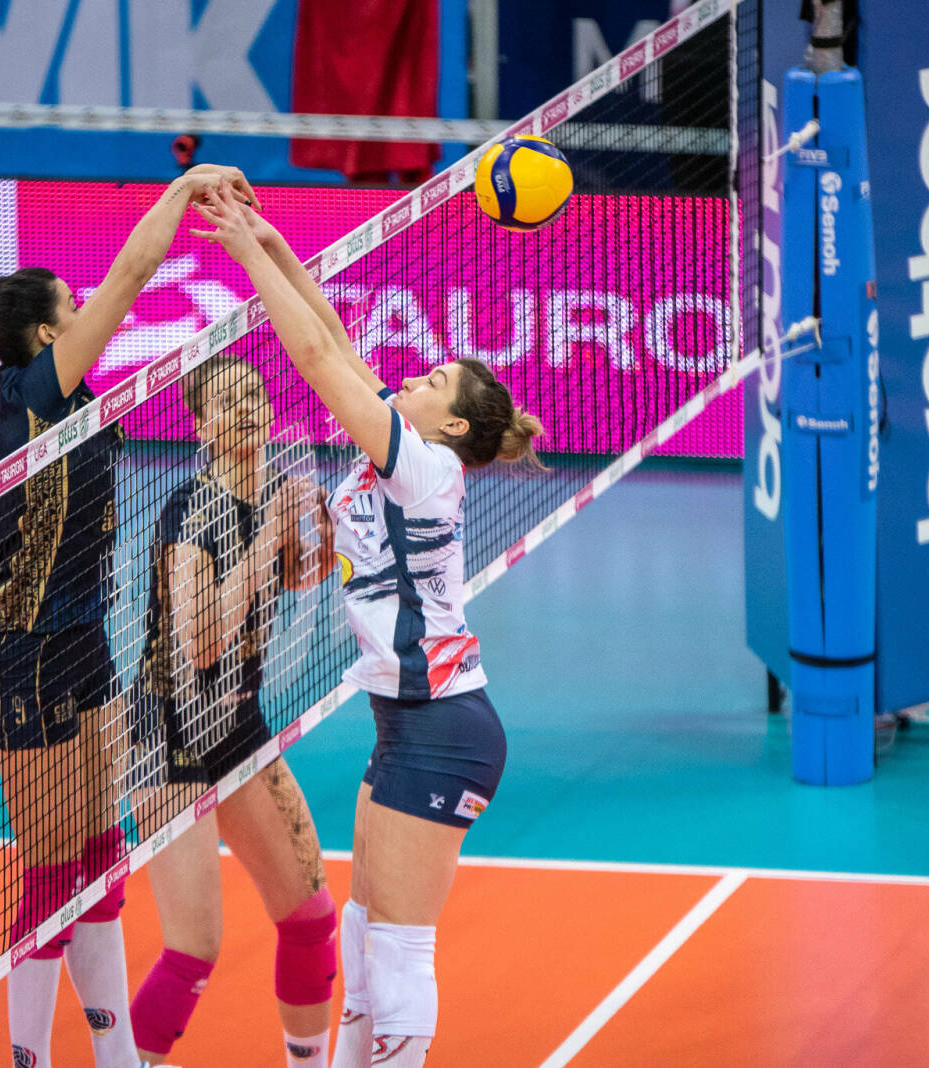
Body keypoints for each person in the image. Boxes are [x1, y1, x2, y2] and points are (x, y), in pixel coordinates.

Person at [0, 164, 253, 1068]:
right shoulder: (35, 391)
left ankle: (116, 1059)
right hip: (26, 651)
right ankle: (29, 1056)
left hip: (86, 639)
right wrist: (182, 189)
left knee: (102, 857)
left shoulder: (71, 396)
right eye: (74, 304)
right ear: (46, 331)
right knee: (51, 879)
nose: (87, 309)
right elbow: (132, 274)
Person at [191, 185, 544, 1067]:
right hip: (407, 722)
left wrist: (244, 258)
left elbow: (316, 359)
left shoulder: (421, 466)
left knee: (397, 946)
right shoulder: (405, 451)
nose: (412, 378)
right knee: (361, 927)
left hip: (445, 728)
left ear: (451, 423)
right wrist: (273, 241)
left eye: (432, 382)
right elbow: (339, 343)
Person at [128, 356, 340, 1067]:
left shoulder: (274, 489)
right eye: (225, 403)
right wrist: (269, 533)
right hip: (169, 733)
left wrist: (323, 527)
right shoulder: (189, 510)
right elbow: (205, 642)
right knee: (194, 949)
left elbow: (299, 577)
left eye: (253, 395)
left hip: (239, 720)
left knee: (311, 919)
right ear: (201, 427)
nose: (245, 408)